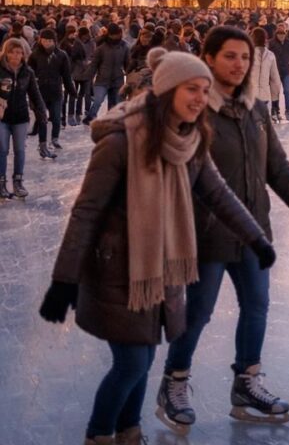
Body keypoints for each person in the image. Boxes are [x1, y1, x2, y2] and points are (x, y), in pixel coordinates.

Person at [39, 47, 275, 445]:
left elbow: (218, 194)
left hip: (161, 271)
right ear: (168, 89)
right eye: (192, 89)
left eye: (205, 89)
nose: (202, 98)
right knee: (132, 362)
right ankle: (99, 435)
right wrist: (64, 280)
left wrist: (255, 237)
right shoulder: (119, 143)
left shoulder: (189, 137)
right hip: (118, 271)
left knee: (144, 358)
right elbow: (86, 212)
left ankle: (129, 432)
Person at [155, 27, 289, 434]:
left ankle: (247, 383)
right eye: (230, 56)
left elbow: (277, 168)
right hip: (207, 233)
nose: (239, 64)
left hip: (252, 230)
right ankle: (173, 383)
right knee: (198, 312)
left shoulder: (257, 110)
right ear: (208, 58)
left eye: (245, 57)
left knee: (257, 306)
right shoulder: (193, 109)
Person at [0, 38, 46, 198]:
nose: (16, 55)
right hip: (2, 118)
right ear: (6, 53)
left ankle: (18, 182)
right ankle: (1, 183)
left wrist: (41, 111)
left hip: (20, 116)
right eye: (12, 52)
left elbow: (35, 93)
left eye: (19, 52)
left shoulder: (27, 72)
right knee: (2, 149)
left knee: (20, 150)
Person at [30, 28, 74, 159]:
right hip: (40, 92)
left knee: (56, 117)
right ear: (40, 40)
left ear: (54, 41)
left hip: (55, 91)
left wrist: (71, 90)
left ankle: (55, 138)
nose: (47, 43)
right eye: (44, 40)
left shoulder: (61, 55)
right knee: (42, 119)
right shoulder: (35, 55)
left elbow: (66, 75)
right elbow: (29, 74)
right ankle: (42, 145)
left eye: (49, 41)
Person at [85, 23, 128, 123]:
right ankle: (91, 116)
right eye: (115, 34)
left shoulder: (124, 46)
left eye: (118, 34)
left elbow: (127, 63)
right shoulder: (102, 48)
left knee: (115, 103)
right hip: (102, 79)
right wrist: (87, 76)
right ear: (110, 35)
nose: (117, 36)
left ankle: (112, 120)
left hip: (117, 79)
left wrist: (129, 74)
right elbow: (94, 64)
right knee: (98, 100)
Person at [267, 27, 289, 121]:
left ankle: (288, 112)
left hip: (286, 71)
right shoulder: (271, 43)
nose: (281, 37)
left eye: (283, 35)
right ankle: (275, 111)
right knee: (275, 93)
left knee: (287, 92)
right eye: (279, 35)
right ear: (276, 35)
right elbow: (267, 56)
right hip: (274, 71)